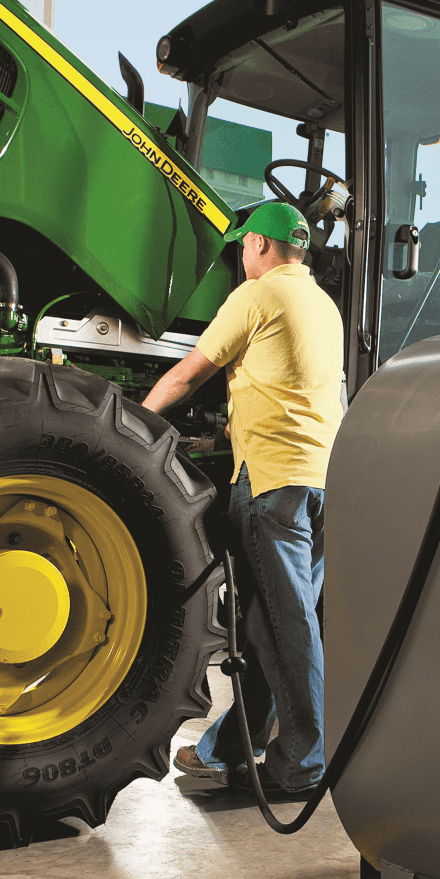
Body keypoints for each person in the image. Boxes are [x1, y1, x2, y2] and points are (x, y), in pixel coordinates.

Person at [142, 202, 344, 797]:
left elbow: (187, 375)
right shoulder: (321, 305)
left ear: (259, 244)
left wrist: (125, 427)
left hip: (273, 485)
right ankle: (232, 748)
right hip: (324, 482)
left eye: (241, 250)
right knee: (265, 625)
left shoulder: (255, 298)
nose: (239, 260)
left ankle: (305, 764)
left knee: (286, 627)